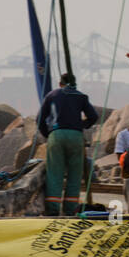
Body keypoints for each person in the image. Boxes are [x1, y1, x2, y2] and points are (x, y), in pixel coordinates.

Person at [38, 73, 99, 216]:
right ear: (75, 83)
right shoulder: (81, 96)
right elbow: (93, 116)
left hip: (56, 135)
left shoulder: (51, 96)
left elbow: (40, 119)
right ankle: (70, 209)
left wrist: (48, 134)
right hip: (76, 135)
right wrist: (81, 125)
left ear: (60, 83)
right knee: (75, 174)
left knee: (54, 173)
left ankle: (52, 209)